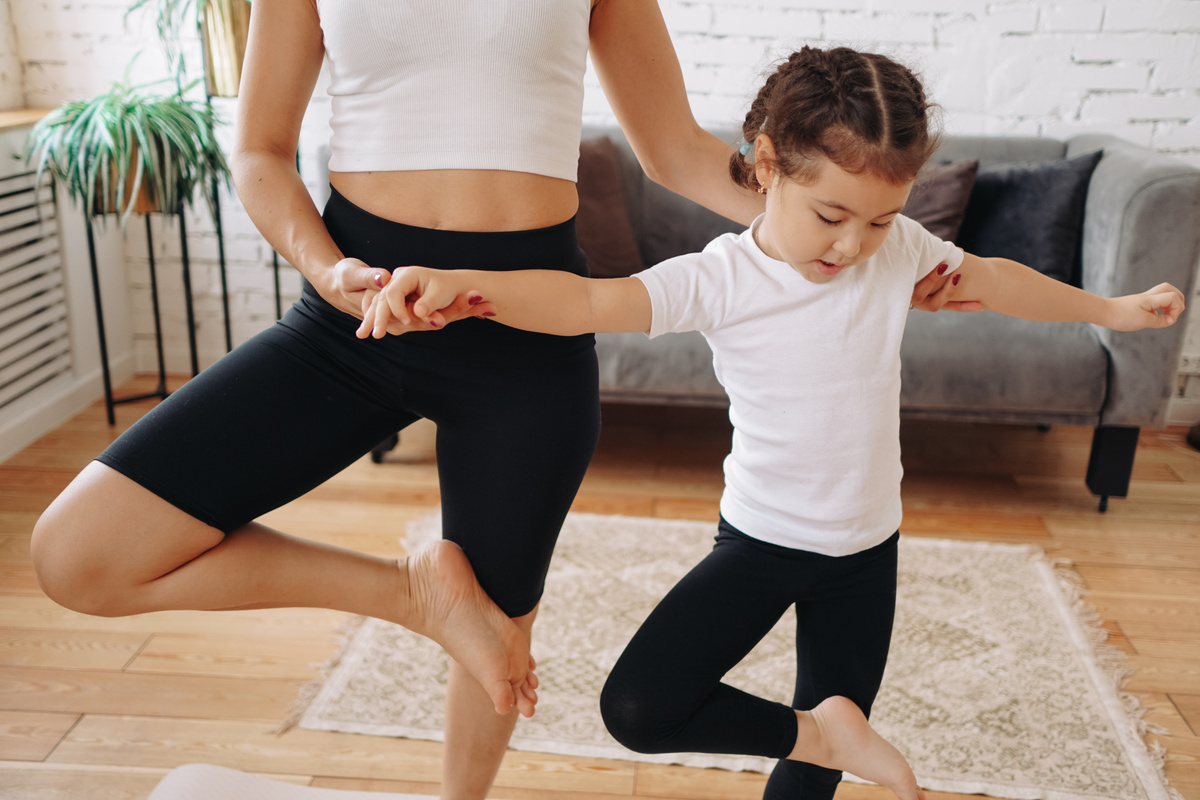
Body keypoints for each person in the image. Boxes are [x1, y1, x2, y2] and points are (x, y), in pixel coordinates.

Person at [29, 4, 971, 798]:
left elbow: (679, 152)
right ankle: (413, 593)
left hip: (530, 328)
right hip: (358, 313)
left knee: (500, 627)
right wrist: (329, 271)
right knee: (77, 554)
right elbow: (263, 152)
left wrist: (855, 239)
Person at [357, 45, 1186, 800]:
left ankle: (822, 742)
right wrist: (464, 285)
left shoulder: (897, 254)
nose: (855, 245)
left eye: (880, 220)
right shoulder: (722, 278)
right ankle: (816, 734)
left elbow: (998, 280)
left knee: (810, 785)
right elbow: (585, 302)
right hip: (760, 543)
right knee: (640, 707)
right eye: (831, 216)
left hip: (866, 555)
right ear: (765, 166)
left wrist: (1115, 311)